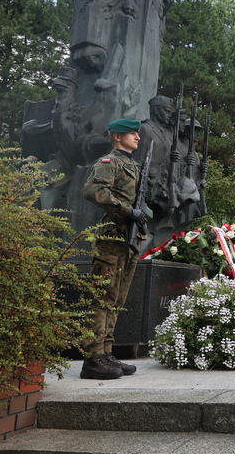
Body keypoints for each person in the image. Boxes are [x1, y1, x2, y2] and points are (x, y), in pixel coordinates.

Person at [70, 0, 172, 163]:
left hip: (144, 50)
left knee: (138, 107)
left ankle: (128, 166)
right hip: (115, 41)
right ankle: (100, 163)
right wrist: (86, 40)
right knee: (110, 104)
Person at [80, 118, 149, 379]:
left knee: (117, 300)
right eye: (132, 133)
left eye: (137, 133)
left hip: (129, 240)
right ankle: (93, 358)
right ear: (116, 136)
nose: (137, 137)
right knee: (103, 298)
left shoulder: (133, 164)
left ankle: (107, 353)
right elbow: (93, 191)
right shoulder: (109, 162)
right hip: (112, 238)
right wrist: (127, 210)